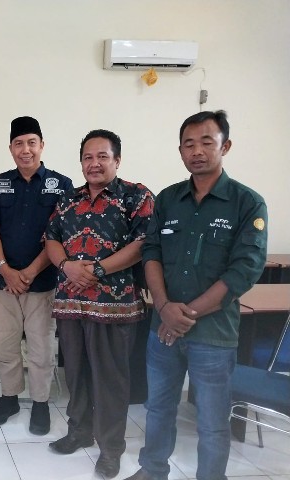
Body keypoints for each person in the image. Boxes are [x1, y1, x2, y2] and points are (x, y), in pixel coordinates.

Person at [124, 111, 267, 480]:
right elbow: (151, 253)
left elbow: (244, 270)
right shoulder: (168, 199)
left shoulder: (247, 203)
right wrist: (163, 307)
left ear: (225, 146)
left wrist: (183, 315)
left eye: (207, 142)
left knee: (212, 422)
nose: (197, 151)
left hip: (212, 335)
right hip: (163, 331)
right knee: (158, 408)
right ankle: (152, 470)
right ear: (180, 151)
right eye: (189, 144)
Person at [45, 129, 154, 478]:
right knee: (75, 374)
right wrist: (66, 266)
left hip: (114, 305)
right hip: (70, 302)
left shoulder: (136, 196)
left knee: (110, 380)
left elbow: (143, 243)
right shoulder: (68, 199)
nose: (94, 163)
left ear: (117, 160)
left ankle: (111, 449)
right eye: (88, 157)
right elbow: (51, 238)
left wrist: (99, 268)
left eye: (102, 156)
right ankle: (79, 431)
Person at [0, 116, 73, 435]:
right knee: (4, 345)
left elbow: (60, 236)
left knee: (41, 347)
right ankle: (9, 398)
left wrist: (31, 271)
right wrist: (5, 269)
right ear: (11, 148)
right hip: (2, 283)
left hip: (43, 283)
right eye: (19, 143)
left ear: (42, 145)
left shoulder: (61, 184)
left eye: (31, 143)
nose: (25, 150)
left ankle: (40, 403)